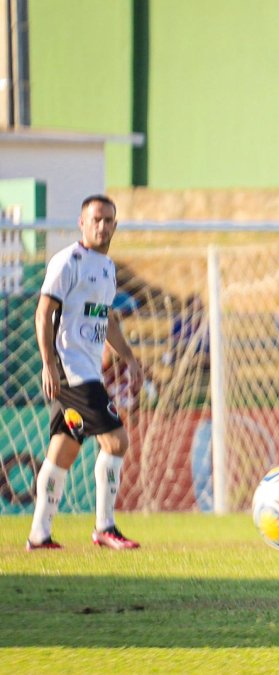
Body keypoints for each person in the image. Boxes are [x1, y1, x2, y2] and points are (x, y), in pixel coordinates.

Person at [26, 195, 144, 551]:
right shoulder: (68, 261)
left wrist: (130, 358)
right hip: (71, 370)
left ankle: (38, 535)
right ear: (82, 222)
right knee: (117, 441)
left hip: (87, 368)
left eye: (108, 220)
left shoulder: (106, 267)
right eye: (96, 219)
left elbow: (105, 318)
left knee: (63, 450)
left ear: (115, 225)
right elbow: (43, 312)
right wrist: (48, 364)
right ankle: (104, 527)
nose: (102, 226)